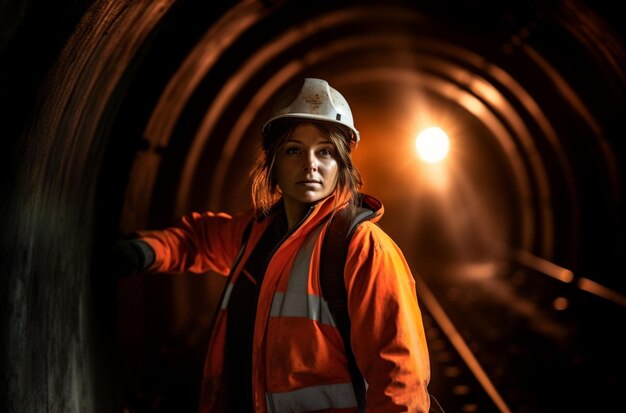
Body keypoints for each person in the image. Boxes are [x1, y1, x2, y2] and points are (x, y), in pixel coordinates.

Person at [115, 77, 432, 412]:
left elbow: (400, 379)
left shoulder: (363, 249)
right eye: (293, 150)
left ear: (342, 165)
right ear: (273, 163)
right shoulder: (258, 235)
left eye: (325, 151)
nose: (310, 163)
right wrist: (144, 251)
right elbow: (198, 239)